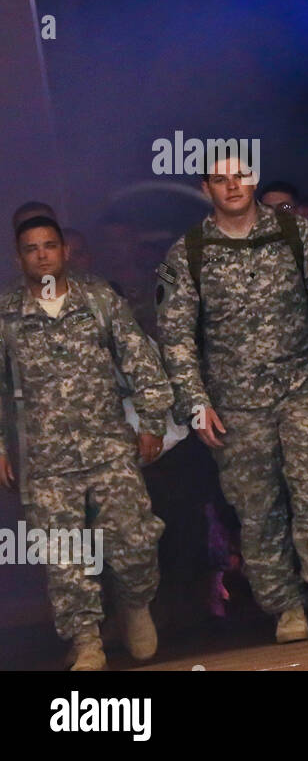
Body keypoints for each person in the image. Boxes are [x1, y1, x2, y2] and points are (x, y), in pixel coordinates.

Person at [156, 154, 308, 643]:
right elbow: (175, 336)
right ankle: (285, 605)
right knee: (257, 507)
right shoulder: (184, 254)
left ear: (253, 180)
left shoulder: (294, 232)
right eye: (220, 180)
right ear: (206, 188)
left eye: (240, 177)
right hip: (235, 402)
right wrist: (195, 402)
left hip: (302, 383)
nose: (232, 187)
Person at [1, 216, 172, 670]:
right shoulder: (6, 314)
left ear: (64, 251)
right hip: (46, 458)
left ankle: (135, 608)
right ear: (19, 257)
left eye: (50, 245)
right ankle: (86, 639)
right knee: (62, 555)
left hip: (109, 447)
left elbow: (142, 362)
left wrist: (152, 420)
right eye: (32, 248)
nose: (42, 254)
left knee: (134, 540)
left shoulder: (98, 299)